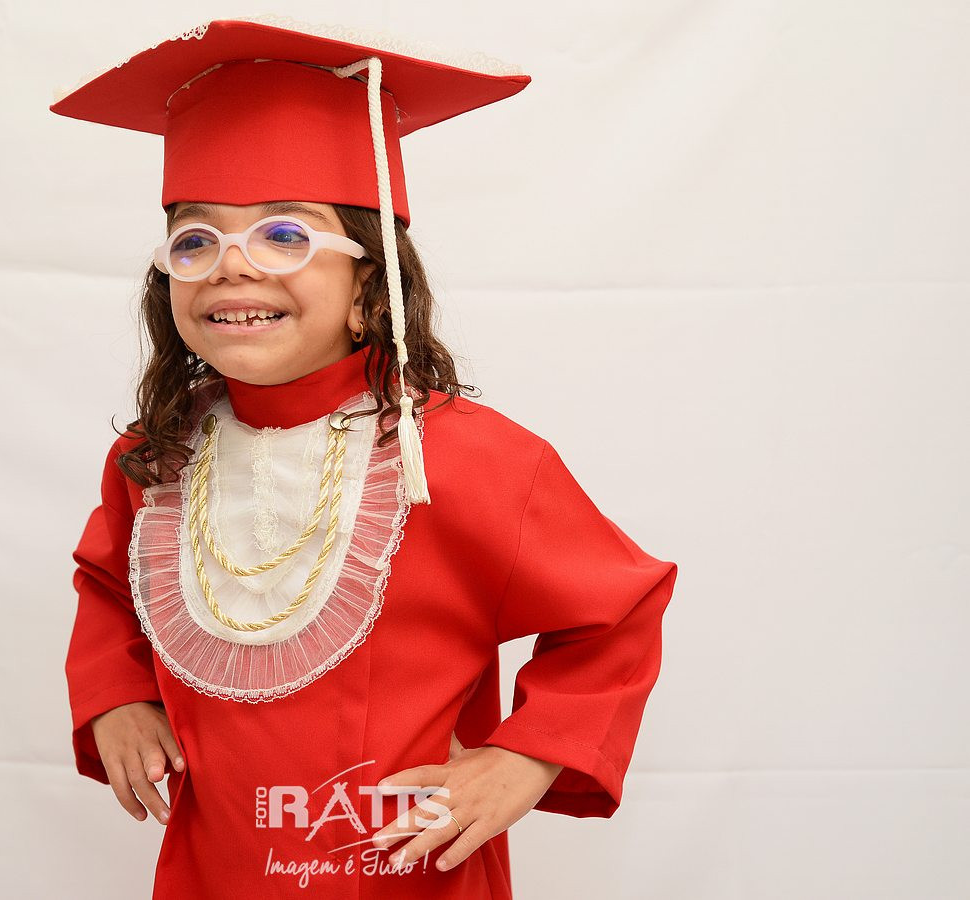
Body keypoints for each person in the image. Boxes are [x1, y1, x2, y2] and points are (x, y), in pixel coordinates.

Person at [54, 16, 678, 899]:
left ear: (369, 290)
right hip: (214, 869)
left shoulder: (463, 456)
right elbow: (109, 585)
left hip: (406, 872)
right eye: (195, 241)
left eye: (284, 235)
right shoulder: (156, 459)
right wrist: (116, 696)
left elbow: (617, 609)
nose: (230, 268)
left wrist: (527, 757)